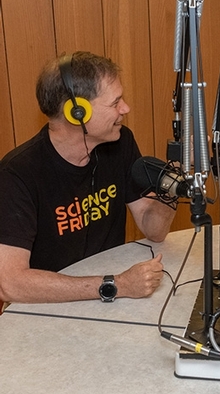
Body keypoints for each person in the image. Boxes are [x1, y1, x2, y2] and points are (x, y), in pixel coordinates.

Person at [0, 51, 176, 304]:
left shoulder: (120, 142)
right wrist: (116, 284)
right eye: (115, 103)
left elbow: (154, 230)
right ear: (77, 112)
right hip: (45, 308)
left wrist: (171, 180)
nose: (125, 108)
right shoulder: (16, 174)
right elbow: (9, 283)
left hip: (107, 296)